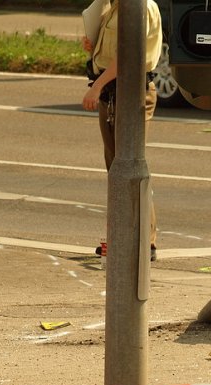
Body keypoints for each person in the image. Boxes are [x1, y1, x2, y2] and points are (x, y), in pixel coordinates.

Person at [82, 0, 162, 261]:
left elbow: (129, 55)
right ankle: (120, 236)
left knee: (131, 166)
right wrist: (93, 48)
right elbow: (112, 50)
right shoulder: (112, 5)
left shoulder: (141, 6)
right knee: (115, 169)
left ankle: (145, 243)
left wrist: (96, 86)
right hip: (111, 92)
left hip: (132, 91)